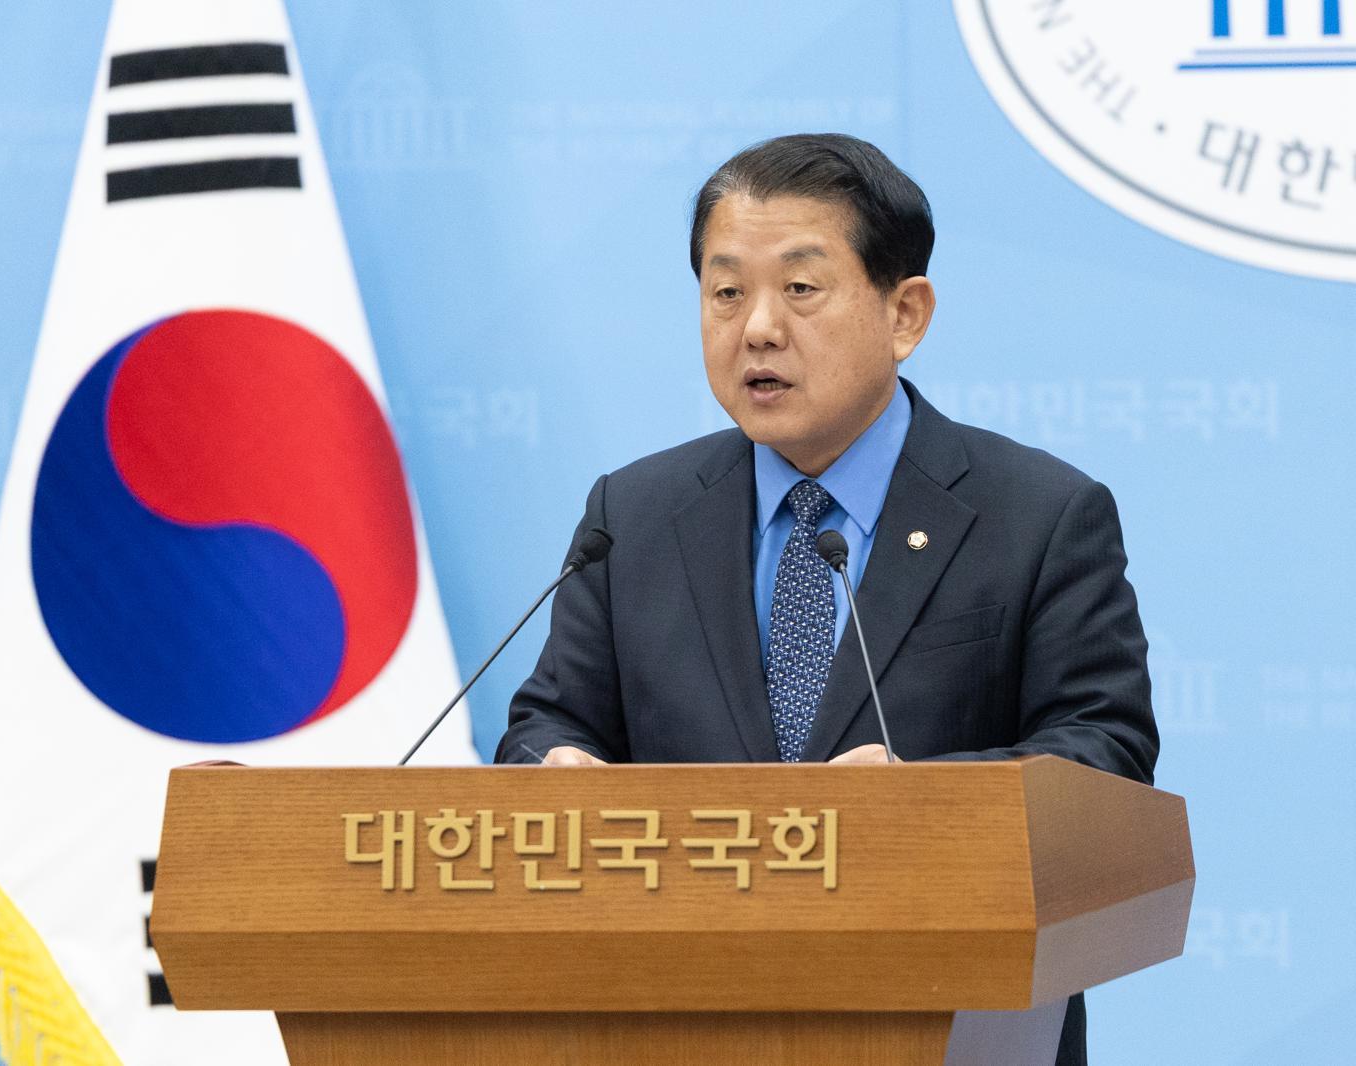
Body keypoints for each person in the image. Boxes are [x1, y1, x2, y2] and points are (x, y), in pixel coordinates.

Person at [494, 133, 1159, 1065]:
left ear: (905, 313)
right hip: (676, 1022)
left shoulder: (1040, 516)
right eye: (727, 293)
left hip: (953, 1025)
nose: (758, 328)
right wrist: (555, 768)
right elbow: (548, 723)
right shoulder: (632, 515)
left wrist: (920, 804)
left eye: (801, 288)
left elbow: (1104, 758)